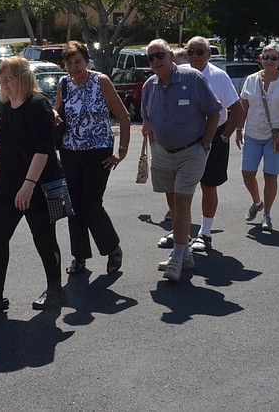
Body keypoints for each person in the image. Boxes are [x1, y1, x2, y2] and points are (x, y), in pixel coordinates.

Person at [0, 56, 66, 312]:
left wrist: (28, 185)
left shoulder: (38, 105)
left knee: (43, 239)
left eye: (8, 79)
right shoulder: (4, 107)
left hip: (37, 186)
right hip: (7, 184)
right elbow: (0, 144)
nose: (3, 84)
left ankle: (55, 290)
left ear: (22, 78)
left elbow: (44, 150)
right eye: (1, 80)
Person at [141, 39, 221, 282]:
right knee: (173, 203)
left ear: (171, 56)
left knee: (183, 202)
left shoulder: (193, 79)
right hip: (163, 152)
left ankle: (176, 259)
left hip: (191, 151)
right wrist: (155, 145)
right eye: (151, 57)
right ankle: (185, 253)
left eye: (160, 55)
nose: (155, 61)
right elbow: (147, 120)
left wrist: (205, 145)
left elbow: (215, 113)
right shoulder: (149, 86)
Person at [54, 41, 130, 276]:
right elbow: (58, 111)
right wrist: (55, 115)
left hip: (99, 151)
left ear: (86, 61)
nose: (74, 67)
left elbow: (123, 116)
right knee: (75, 207)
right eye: (69, 62)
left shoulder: (101, 81)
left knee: (91, 204)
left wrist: (122, 151)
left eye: (78, 61)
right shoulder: (64, 83)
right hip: (70, 151)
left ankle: (112, 249)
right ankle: (79, 257)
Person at [180, 36, 244, 252]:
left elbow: (237, 110)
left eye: (200, 52)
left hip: (214, 136)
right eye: (191, 52)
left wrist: (225, 136)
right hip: (186, 137)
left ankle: (205, 233)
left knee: (208, 185)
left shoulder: (219, 77)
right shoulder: (180, 74)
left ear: (209, 54)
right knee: (180, 185)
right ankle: (180, 231)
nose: (195, 56)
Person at [239, 43, 279, 231]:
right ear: (260, 59)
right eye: (266, 57)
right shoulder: (250, 80)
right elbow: (244, 105)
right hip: (252, 133)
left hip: (276, 136)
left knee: (270, 175)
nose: (269, 61)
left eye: (274, 58)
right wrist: (239, 128)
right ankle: (257, 202)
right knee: (247, 174)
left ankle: (267, 215)